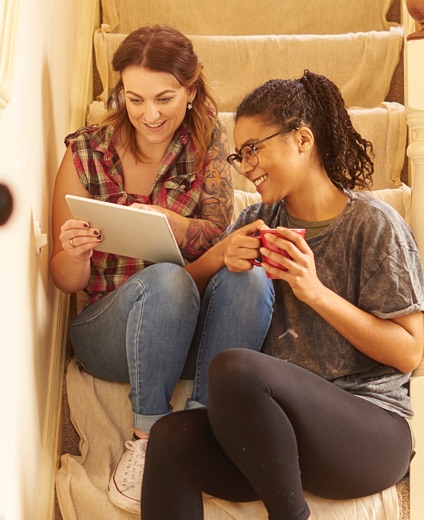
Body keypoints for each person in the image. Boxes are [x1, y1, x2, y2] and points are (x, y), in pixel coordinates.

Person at [140, 70, 424, 520]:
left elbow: (408, 352)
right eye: (240, 154)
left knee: (235, 368)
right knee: (171, 437)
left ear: (302, 139)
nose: (246, 165)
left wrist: (313, 291)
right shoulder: (256, 219)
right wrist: (217, 257)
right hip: (272, 440)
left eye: (254, 149)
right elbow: (186, 303)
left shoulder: (374, 225)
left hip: (366, 433)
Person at [50, 25, 273, 515]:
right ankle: (149, 436)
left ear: (191, 91)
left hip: (188, 315)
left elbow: (217, 237)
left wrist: (172, 224)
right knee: (167, 280)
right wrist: (76, 253)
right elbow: (67, 282)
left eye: (165, 98)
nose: (150, 114)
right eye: (135, 99)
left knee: (249, 277)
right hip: (109, 330)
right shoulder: (86, 152)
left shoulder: (208, 142)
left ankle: (198, 429)